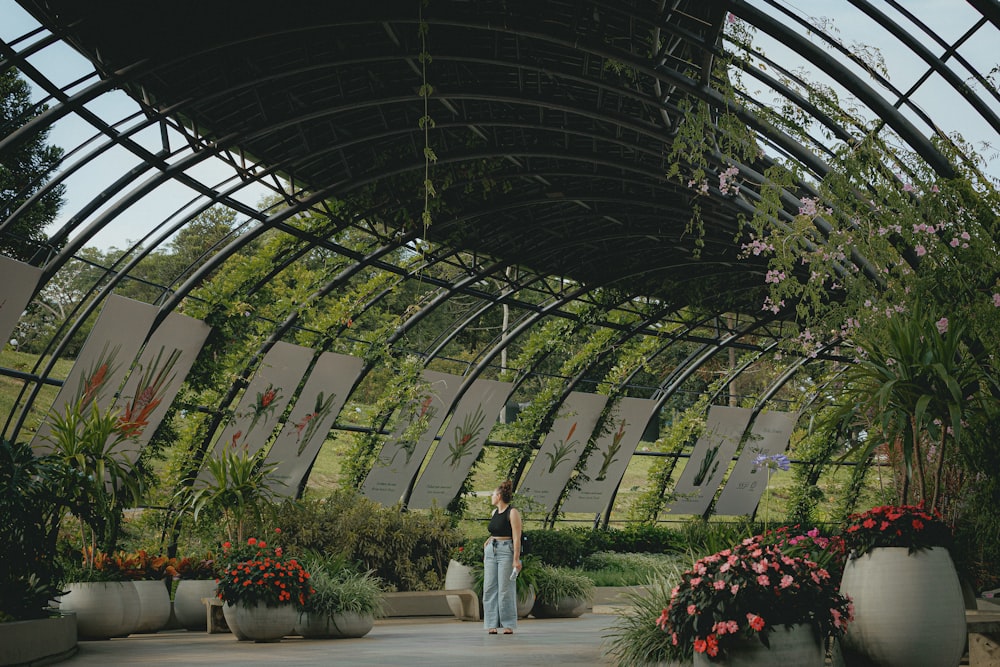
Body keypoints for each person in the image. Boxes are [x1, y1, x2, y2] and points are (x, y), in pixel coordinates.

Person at [482, 479, 522, 635]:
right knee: (489, 588)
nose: (491, 497)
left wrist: (516, 559)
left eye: (493, 494)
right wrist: (488, 542)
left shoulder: (512, 512)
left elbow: (517, 537)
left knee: (505, 589)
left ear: (498, 496)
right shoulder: (494, 513)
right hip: (491, 551)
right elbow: (494, 531)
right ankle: (491, 624)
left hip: (506, 551)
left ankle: (508, 624)